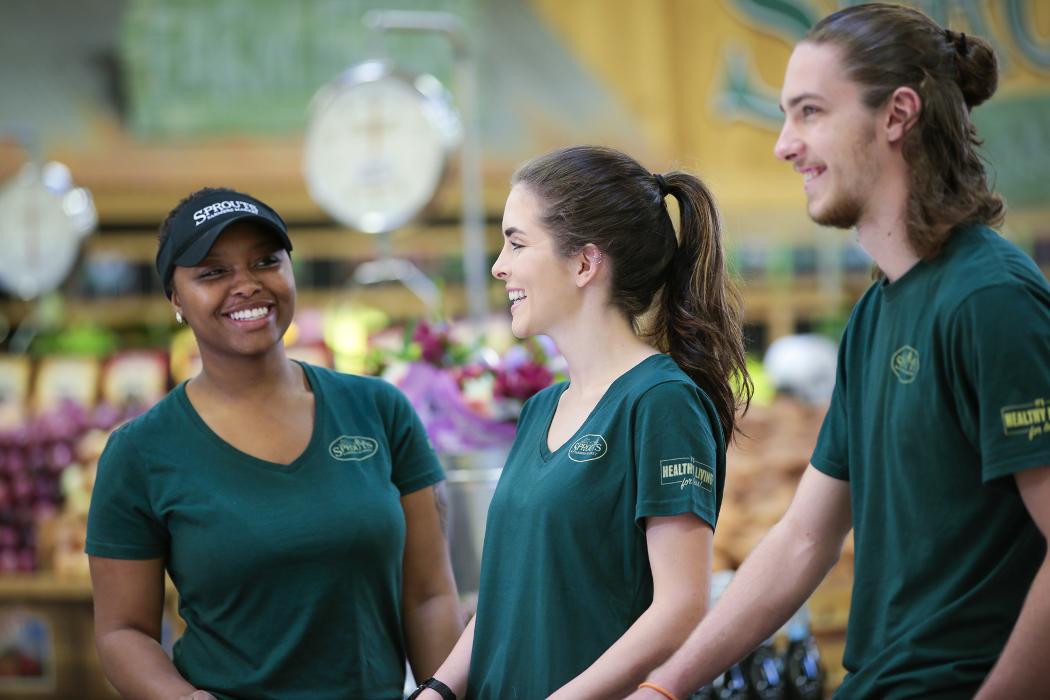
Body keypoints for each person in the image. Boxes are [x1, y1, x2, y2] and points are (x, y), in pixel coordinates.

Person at [631, 4, 1050, 699]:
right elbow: (804, 538)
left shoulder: (989, 300)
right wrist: (665, 686)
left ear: (897, 115)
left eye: (810, 112)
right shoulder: (876, 313)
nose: (784, 145)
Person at [86, 187, 463, 700]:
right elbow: (122, 632)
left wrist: (442, 693)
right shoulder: (139, 452)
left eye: (265, 261)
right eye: (213, 272)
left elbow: (429, 594)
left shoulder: (378, 409)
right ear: (175, 297)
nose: (246, 285)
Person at [407, 146, 752, 700]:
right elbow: (507, 595)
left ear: (585, 264)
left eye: (517, 243)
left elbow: (681, 606)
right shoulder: (540, 409)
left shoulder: (661, 402)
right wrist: (439, 689)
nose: (499, 266)